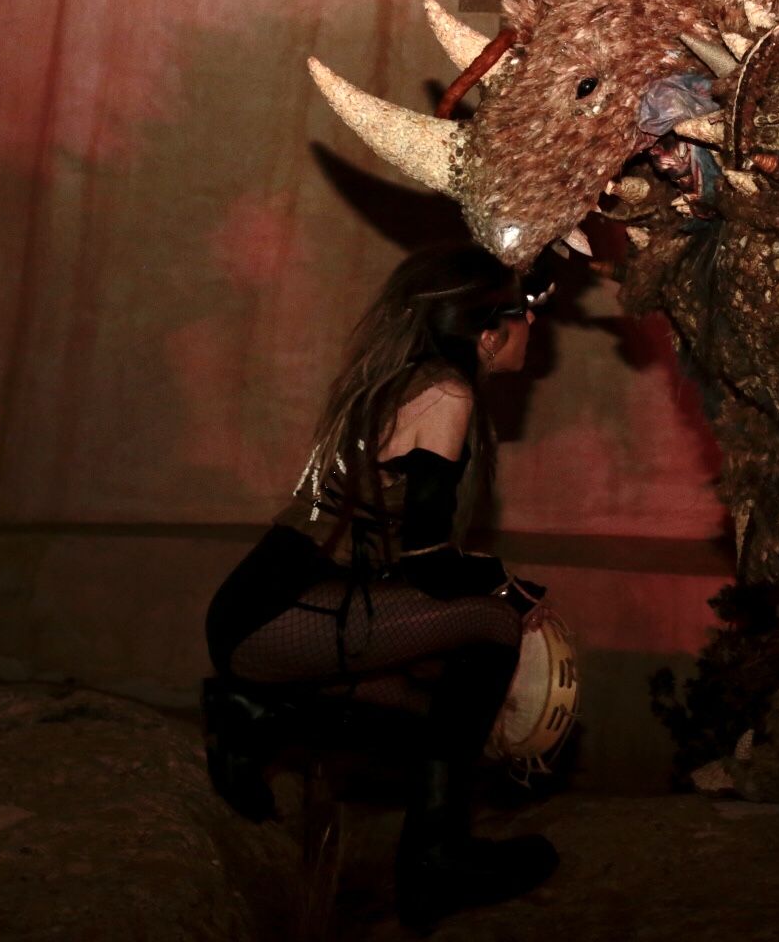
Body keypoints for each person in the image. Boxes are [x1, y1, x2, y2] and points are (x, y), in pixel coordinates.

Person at [203, 243, 557, 931]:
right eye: (528, 312)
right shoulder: (446, 393)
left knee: (433, 711)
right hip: (277, 616)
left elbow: (397, 557)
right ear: (488, 332)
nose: (536, 325)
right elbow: (426, 558)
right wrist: (510, 589)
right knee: (492, 624)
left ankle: (262, 718)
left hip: (265, 610)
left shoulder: (412, 380)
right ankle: (437, 859)